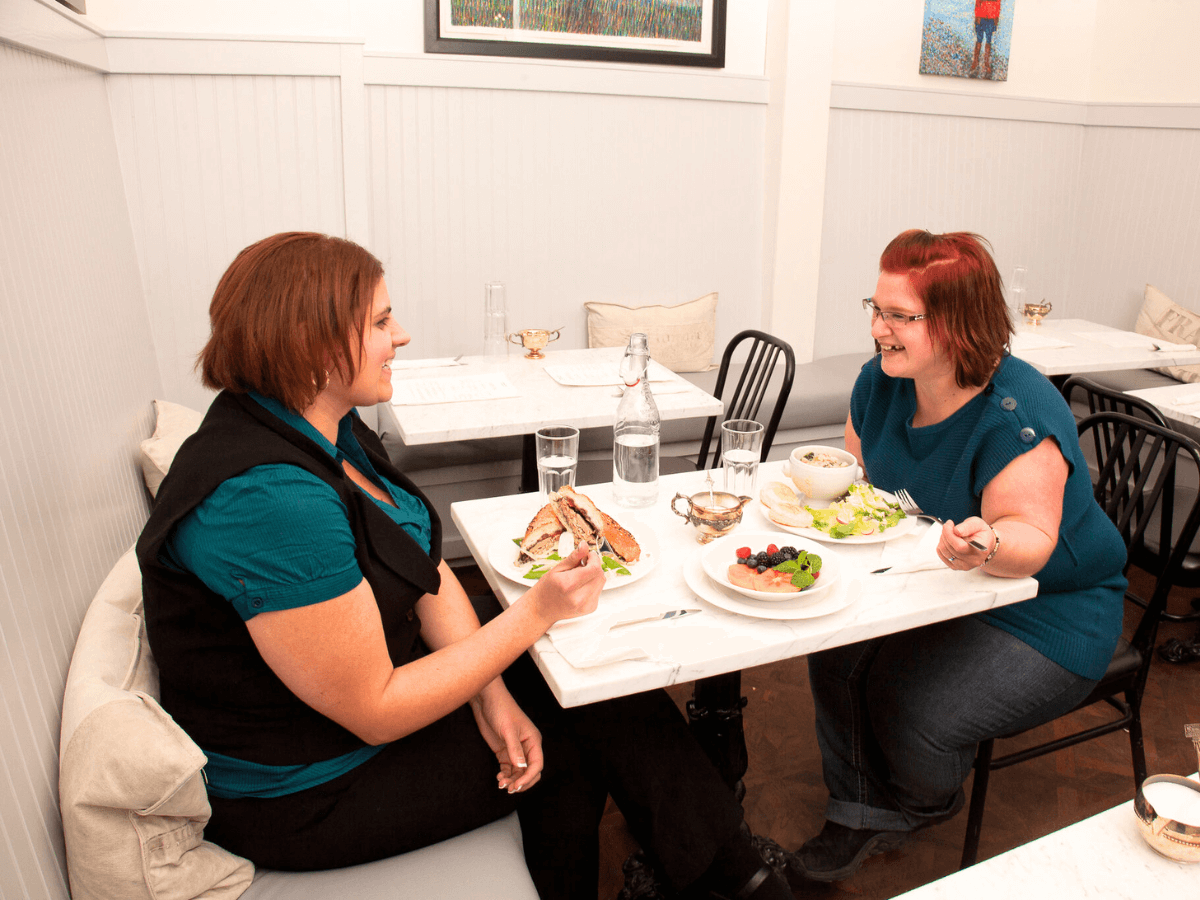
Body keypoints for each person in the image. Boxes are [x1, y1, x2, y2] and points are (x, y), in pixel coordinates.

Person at [136, 232, 793, 900]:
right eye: (382, 322)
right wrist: (537, 612)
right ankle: (740, 883)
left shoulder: (318, 423)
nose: (403, 335)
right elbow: (377, 710)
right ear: (312, 344)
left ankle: (730, 877)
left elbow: (423, 566)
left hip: (349, 724)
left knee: (595, 687)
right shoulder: (268, 501)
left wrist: (494, 696)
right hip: (308, 789)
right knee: (574, 734)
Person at [789, 230, 1127, 883]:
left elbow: (1029, 543)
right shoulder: (881, 382)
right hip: (942, 581)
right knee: (832, 650)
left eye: (898, 316)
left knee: (917, 708)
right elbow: (858, 474)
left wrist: (987, 543)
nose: (876, 328)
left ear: (955, 325)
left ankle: (924, 802)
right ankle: (863, 810)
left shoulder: (1017, 411)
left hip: (1054, 607)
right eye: (875, 307)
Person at [971, 0, 1001, 78]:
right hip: (981, 18)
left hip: (991, 19)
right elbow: (977, 3)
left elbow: (998, 4)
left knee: (988, 42)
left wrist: (996, 18)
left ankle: (987, 65)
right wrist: (977, 16)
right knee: (979, 41)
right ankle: (975, 63)